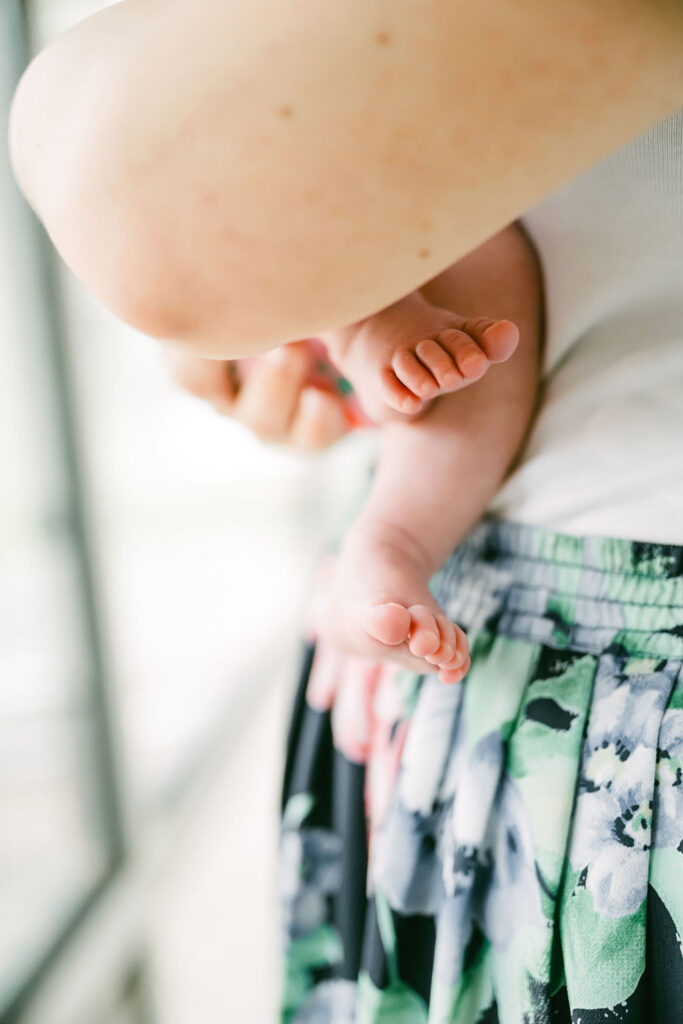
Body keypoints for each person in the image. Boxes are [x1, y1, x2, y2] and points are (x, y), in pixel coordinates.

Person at [8, 1, 682, 1020]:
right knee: (466, 295)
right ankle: (389, 527)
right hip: (496, 558)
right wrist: (335, 310)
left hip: (562, 625)